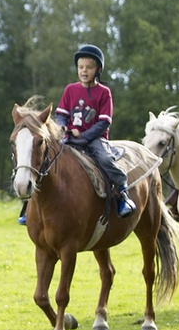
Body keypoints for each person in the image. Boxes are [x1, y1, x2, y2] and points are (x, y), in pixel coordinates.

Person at [55, 44, 135, 219]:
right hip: (69, 138)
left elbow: (104, 122)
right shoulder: (70, 90)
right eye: (80, 67)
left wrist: (84, 136)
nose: (84, 71)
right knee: (46, 157)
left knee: (106, 160)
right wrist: (61, 127)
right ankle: (29, 204)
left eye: (89, 67)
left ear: (98, 69)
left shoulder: (104, 92)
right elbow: (61, 115)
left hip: (95, 139)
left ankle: (123, 193)